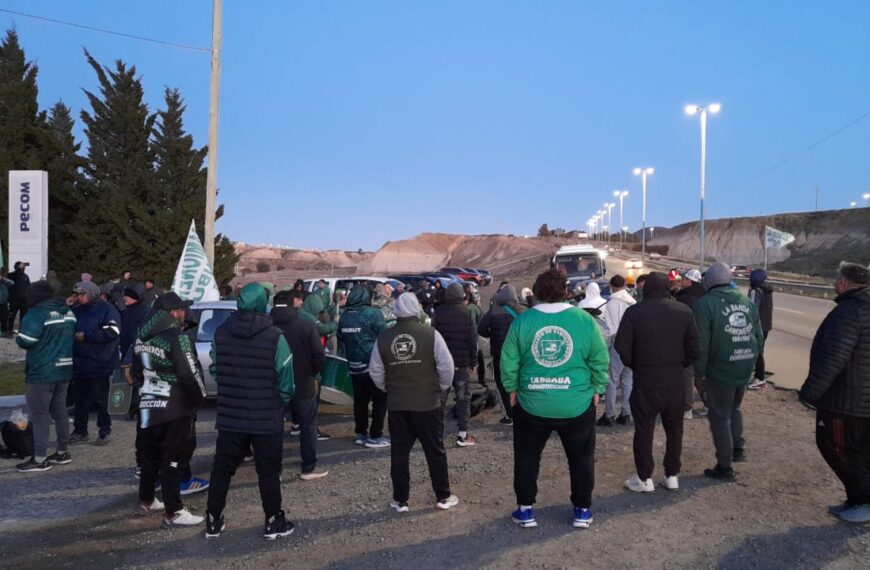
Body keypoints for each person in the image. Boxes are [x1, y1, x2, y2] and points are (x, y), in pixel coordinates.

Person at [500, 269, 609, 529]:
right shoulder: (583, 320)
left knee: (527, 458)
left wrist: (511, 389)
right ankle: (582, 510)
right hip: (577, 403)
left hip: (532, 403)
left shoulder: (523, 321)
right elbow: (599, 357)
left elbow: (509, 360)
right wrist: (598, 388)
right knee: (581, 459)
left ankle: (525, 509)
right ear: (566, 291)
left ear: (536, 292)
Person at [205, 283, 296, 540]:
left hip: (230, 415)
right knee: (268, 471)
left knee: (222, 467)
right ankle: (273, 521)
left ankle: (213, 519)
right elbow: (286, 378)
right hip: (266, 416)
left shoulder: (221, 332)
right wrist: (281, 401)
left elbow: (215, 368)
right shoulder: (275, 336)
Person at [368, 293, 459, 513]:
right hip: (428, 403)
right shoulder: (431, 335)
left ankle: (401, 500)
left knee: (399, 452)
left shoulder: (384, 338)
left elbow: (375, 372)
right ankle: (443, 496)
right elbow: (447, 367)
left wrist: (390, 390)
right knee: (435, 451)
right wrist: (441, 388)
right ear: (416, 309)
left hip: (398, 405)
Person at [799, 262, 870, 524]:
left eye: (836, 278)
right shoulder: (861, 309)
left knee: (836, 446)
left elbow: (832, 357)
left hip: (846, 402)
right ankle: (856, 499)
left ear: (843, 282)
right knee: (860, 452)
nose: (834, 283)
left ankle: (864, 500)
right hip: (860, 401)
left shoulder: (848, 313)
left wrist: (810, 393)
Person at [615, 272, 700, 492]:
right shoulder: (684, 311)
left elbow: (621, 345)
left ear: (647, 288)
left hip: (645, 380)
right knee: (675, 430)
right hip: (674, 381)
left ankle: (644, 479)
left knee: (644, 429)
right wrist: (678, 365)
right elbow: (694, 349)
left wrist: (636, 364)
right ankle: (672, 475)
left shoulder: (634, 312)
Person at [132, 292, 206, 527]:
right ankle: (174, 511)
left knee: (149, 456)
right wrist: (199, 397)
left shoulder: (142, 336)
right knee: (174, 459)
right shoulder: (177, 337)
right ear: (173, 313)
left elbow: (135, 373)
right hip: (175, 407)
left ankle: (146, 499)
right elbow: (189, 372)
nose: (184, 312)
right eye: (182, 309)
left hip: (148, 405)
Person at [692, 262, 764, 481]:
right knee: (735, 408)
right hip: (742, 367)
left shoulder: (705, 305)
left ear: (710, 281)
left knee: (719, 416)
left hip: (719, 370)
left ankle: (725, 466)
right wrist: (748, 361)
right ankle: (738, 449)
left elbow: (701, 344)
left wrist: (700, 373)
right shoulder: (746, 302)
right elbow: (759, 338)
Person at [14, 281, 77, 472]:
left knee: (40, 414)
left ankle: (40, 458)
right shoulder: (68, 311)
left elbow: (26, 340)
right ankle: (62, 451)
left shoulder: (37, 313)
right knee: (60, 411)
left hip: (42, 371)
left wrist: (19, 335)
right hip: (64, 368)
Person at [272, 290, 328, 479]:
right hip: (303, 383)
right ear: (292, 304)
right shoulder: (305, 325)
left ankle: (274, 470)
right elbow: (318, 355)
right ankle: (308, 467)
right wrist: (311, 373)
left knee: (274, 426)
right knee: (307, 426)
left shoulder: (266, 325)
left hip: (274, 385)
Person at [69, 281, 121, 446]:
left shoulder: (107, 309)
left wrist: (87, 336)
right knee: (81, 399)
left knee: (101, 399)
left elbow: (113, 331)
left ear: (91, 293)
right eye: (77, 294)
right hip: (80, 362)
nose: (79, 297)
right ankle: (80, 430)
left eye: (82, 294)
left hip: (101, 362)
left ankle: (104, 431)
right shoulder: (75, 311)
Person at [338, 285, 390, 448]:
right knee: (380, 399)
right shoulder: (373, 314)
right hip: (372, 365)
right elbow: (384, 336)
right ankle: (375, 435)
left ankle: (360, 433)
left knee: (360, 401)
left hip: (353, 366)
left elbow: (340, 339)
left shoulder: (344, 316)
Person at [432, 283, 478, 447]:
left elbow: (433, 338)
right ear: (461, 296)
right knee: (463, 398)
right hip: (461, 364)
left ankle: (435, 434)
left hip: (441, 364)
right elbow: (473, 340)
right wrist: (474, 362)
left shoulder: (438, 313)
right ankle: (462, 434)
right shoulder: (467, 313)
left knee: (439, 400)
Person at [478, 284, 526, 425]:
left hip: (500, 354)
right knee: (521, 382)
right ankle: (523, 413)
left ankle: (509, 415)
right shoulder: (523, 311)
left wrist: (491, 333)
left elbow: (481, 330)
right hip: (520, 355)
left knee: (502, 384)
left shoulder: (493, 311)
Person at [597, 275, 636, 427]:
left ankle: (609, 414)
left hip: (618, 345)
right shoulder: (632, 301)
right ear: (625, 285)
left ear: (611, 286)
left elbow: (612, 329)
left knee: (612, 380)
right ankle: (625, 414)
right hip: (632, 346)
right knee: (628, 380)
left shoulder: (614, 302)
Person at [677, 268, 706, 418]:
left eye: (683, 279)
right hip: (705, 338)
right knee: (701, 374)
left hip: (689, 339)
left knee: (687, 374)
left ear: (690, 281)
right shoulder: (705, 295)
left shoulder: (685, 298)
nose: (681, 281)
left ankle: (686, 408)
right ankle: (710, 403)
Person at [748, 269, 774, 390]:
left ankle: (759, 378)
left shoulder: (755, 291)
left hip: (757, 326)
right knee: (759, 350)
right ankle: (757, 376)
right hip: (766, 325)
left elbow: (752, 309)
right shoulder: (767, 290)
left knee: (757, 351)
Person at [7, 261, 31, 332]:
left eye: (23, 267)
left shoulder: (26, 276)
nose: (23, 268)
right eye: (22, 267)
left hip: (24, 300)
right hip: (14, 300)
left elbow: (28, 287)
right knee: (12, 315)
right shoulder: (11, 275)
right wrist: (19, 268)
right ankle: (9, 330)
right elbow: (16, 274)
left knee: (23, 316)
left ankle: (22, 330)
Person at [0, 270, 14, 337]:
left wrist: (3, 279)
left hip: (4, 303)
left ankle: (4, 331)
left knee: (4, 318)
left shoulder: (4, 281)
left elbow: (12, 283)